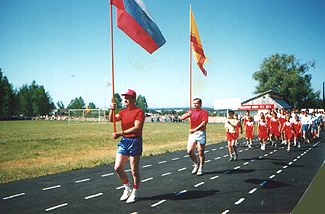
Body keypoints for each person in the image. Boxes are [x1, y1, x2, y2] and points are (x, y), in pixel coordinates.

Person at [108, 89, 145, 204]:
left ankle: (135, 192)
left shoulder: (139, 112)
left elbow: (137, 128)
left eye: (128, 97)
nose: (125, 99)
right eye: (124, 97)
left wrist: (120, 133)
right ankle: (127, 187)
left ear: (133, 99)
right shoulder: (123, 112)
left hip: (135, 141)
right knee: (118, 167)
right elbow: (111, 120)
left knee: (134, 170)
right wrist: (111, 110)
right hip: (125, 141)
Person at [180, 98, 208, 176]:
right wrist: (187, 114)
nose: (195, 105)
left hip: (200, 133)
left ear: (200, 104)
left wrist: (195, 129)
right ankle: (196, 163)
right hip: (192, 134)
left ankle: (201, 167)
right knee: (189, 150)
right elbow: (181, 118)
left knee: (200, 151)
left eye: (196, 103)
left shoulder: (204, 112)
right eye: (194, 103)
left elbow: (204, 123)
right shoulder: (191, 111)